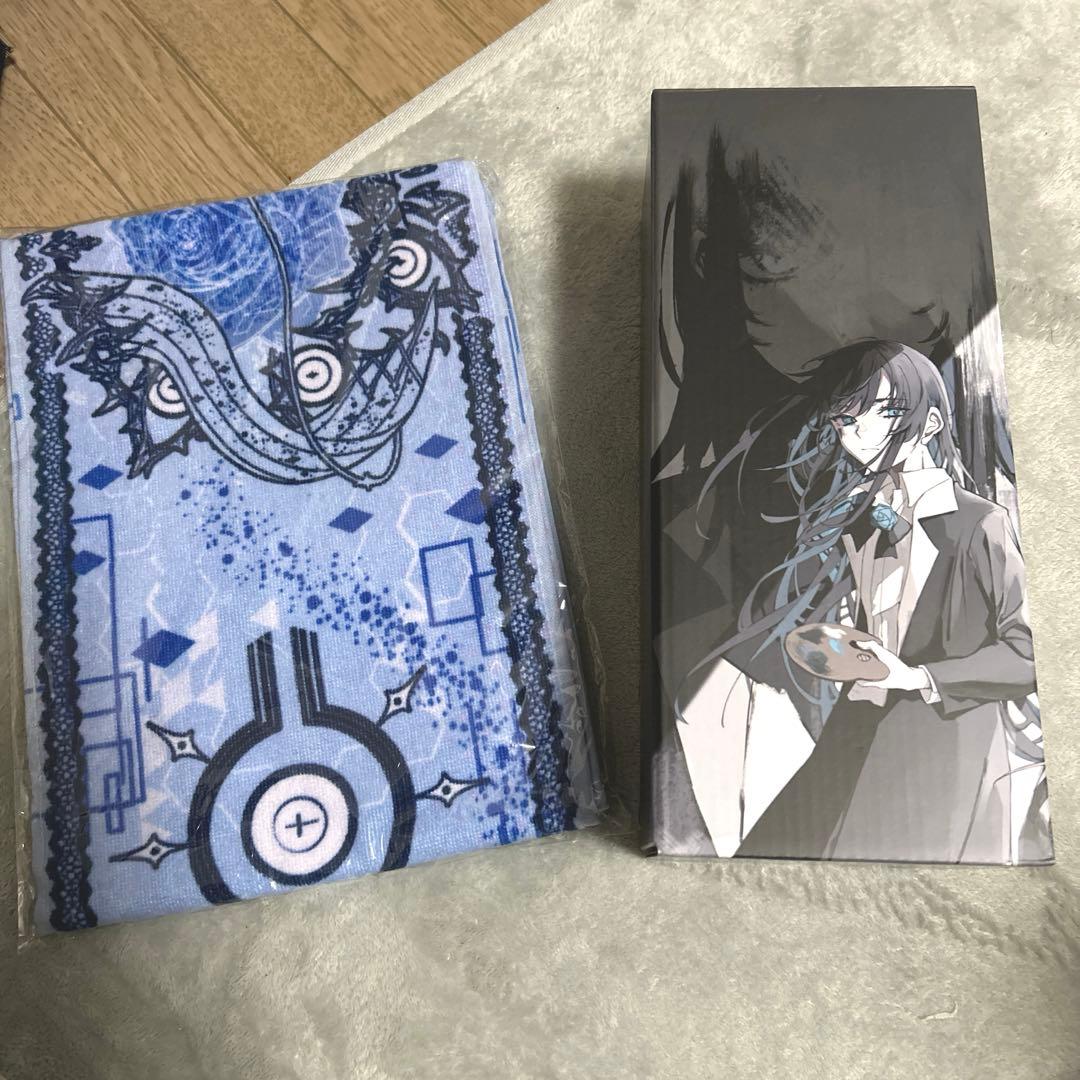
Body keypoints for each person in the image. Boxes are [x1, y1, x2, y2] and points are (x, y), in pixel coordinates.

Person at [676, 340, 1051, 863]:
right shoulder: (861, 518)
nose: (862, 432)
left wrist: (918, 678)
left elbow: (1028, 655)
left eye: (887, 412)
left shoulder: (980, 523)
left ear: (931, 423)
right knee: (778, 849)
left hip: (945, 735)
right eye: (847, 420)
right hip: (859, 719)